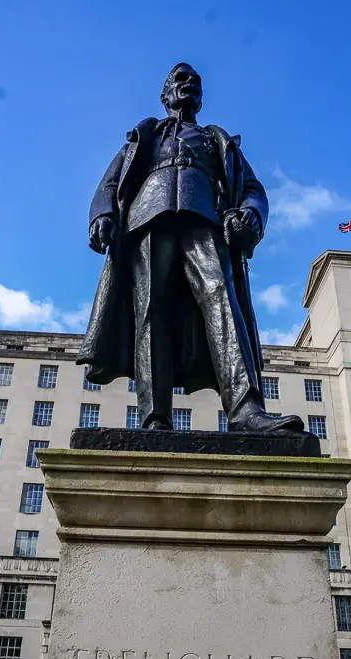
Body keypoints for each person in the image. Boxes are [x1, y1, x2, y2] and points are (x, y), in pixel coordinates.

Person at [77, 63, 304, 434]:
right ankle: (155, 417)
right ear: (165, 95)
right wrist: (101, 215)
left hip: (205, 220)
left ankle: (246, 410)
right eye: (180, 80)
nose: (188, 85)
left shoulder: (218, 141)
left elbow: (253, 189)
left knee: (222, 301)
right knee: (151, 309)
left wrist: (250, 215)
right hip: (148, 220)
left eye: (195, 82)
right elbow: (110, 183)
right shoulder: (144, 137)